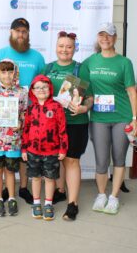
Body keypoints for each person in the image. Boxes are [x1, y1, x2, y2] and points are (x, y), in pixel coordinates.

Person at [0, 18, 45, 204]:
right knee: (6, 158)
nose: (21, 34)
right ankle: (4, 190)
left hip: (29, 113)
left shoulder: (37, 57)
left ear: (28, 34)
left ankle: (23, 188)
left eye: (24, 31)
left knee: (24, 151)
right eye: (17, 31)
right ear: (11, 32)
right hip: (1, 118)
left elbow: (43, 82)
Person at [83, 23, 136, 215]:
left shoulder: (124, 63)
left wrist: (135, 119)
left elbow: (132, 92)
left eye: (109, 35)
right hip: (98, 118)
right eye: (102, 35)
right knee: (101, 160)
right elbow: (84, 91)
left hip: (122, 117)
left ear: (115, 38)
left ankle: (113, 196)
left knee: (119, 158)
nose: (105, 39)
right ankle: (101, 194)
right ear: (98, 37)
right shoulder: (90, 62)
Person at [43, 31, 93, 220]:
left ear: (74, 48)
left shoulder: (81, 69)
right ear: (56, 47)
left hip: (75, 122)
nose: (64, 50)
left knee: (71, 160)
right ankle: (60, 190)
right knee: (57, 158)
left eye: (69, 46)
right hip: (52, 123)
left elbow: (90, 98)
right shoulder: (47, 68)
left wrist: (83, 109)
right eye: (61, 46)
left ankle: (73, 204)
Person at [0, 59, 28, 216]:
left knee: (10, 171)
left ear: (15, 72)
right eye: (3, 71)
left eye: (10, 71)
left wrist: (21, 123)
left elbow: (24, 112)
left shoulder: (22, 92)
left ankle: (11, 198)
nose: (7, 75)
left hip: (13, 141)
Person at [22, 75, 68, 221]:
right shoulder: (30, 109)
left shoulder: (56, 107)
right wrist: (24, 149)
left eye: (45, 87)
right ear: (32, 91)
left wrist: (63, 149)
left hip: (52, 151)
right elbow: (26, 129)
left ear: (50, 89)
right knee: (35, 178)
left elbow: (62, 129)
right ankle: (36, 203)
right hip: (33, 151)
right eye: (38, 87)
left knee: (49, 178)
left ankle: (48, 204)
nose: (41, 90)